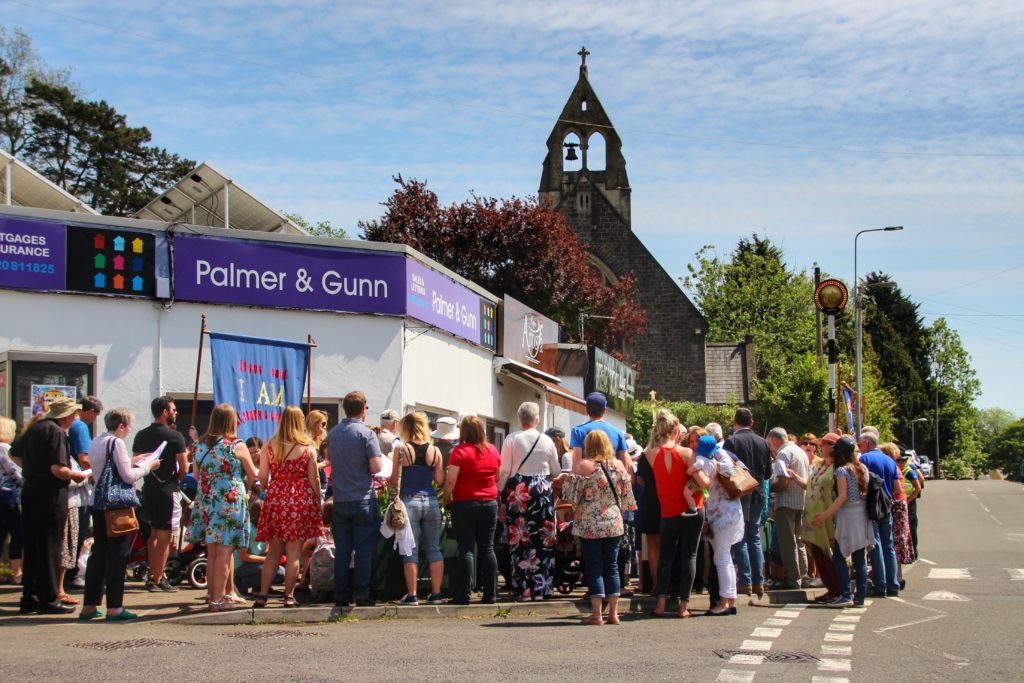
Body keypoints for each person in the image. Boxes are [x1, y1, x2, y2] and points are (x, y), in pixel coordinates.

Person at [78, 408, 159, 621]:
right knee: (118, 555)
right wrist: (148, 466)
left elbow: (106, 468)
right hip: (117, 505)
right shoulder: (117, 443)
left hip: (98, 501)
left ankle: (89, 605)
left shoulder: (98, 441)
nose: (130, 429)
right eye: (129, 425)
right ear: (121, 426)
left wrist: (134, 459)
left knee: (99, 553)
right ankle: (114, 607)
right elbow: (128, 476)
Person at [13, 397, 90, 614]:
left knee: (33, 544)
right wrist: (79, 475)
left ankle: (30, 597)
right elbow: (59, 469)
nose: (75, 417)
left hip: (30, 489)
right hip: (50, 492)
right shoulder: (56, 432)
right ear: (65, 416)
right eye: (73, 414)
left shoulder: (35, 428)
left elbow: (14, 453)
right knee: (49, 545)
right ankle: (48, 598)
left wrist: (32, 467)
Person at [563, 430, 637, 625]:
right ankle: (614, 613)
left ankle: (597, 615)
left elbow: (571, 495)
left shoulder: (584, 466)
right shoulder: (619, 465)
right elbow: (628, 497)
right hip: (613, 522)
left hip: (589, 523)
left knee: (594, 566)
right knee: (612, 566)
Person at [191, 404, 257, 611]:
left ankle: (212, 596)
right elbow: (253, 474)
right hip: (229, 499)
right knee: (225, 551)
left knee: (212, 552)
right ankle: (217, 601)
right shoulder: (236, 445)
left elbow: (195, 475)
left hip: (207, 498)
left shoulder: (199, 445)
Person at [254, 406, 322, 607]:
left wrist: (276, 485)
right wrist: (316, 500)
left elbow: (262, 477)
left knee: (274, 551)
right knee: (294, 551)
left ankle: (262, 595)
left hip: (276, 497)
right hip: (300, 499)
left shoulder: (269, 445)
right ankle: (289, 596)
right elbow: (314, 478)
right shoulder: (307, 447)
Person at [648, 410, 709, 618]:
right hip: (692, 509)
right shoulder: (686, 454)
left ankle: (661, 605)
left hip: (668, 512)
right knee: (689, 555)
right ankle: (683, 606)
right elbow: (703, 482)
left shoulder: (650, 454)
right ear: (676, 431)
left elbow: (652, 446)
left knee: (666, 557)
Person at [498, 402, 561, 602]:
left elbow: (505, 470)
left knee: (520, 539)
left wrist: (499, 492)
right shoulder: (547, 441)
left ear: (519, 419)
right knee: (543, 539)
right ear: (537, 419)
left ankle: (523, 589)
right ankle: (542, 588)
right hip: (542, 490)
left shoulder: (511, 439)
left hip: (519, 490)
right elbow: (556, 471)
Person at [327, 391, 383, 607]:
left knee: (341, 549)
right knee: (363, 550)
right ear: (363, 409)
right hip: (362, 497)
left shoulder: (333, 433)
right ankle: (361, 594)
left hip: (340, 498)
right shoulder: (367, 434)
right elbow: (376, 466)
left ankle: (340, 595)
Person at [133, 396, 189, 593]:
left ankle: (154, 574)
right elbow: (184, 467)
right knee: (165, 535)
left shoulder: (141, 435)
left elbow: (136, 461)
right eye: (173, 409)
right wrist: (174, 480)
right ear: (165, 412)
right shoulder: (176, 437)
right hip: (168, 489)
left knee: (154, 534)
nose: (175, 412)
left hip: (149, 487)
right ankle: (157, 578)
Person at [443, 415, 500, 605]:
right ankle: (490, 593)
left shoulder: (459, 451)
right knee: (487, 547)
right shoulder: (492, 450)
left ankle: (463, 594)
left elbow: (451, 479)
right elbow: (497, 476)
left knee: (466, 548)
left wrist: (446, 498)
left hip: (464, 502)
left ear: (463, 432)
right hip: (489, 502)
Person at [390, 412, 446, 605]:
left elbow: (393, 478)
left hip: (408, 500)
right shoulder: (435, 450)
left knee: (410, 550)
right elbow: (439, 480)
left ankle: (412, 595)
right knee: (434, 549)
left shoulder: (401, 449)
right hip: (430, 501)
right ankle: (436, 593)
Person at [812, 437, 874, 607]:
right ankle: (860, 597)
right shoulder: (862, 468)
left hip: (847, 515)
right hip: (862, 514)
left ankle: (846, 594)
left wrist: (825, 515)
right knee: (859, 558)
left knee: (839, 556)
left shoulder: (841, 471)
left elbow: (842, 496)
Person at [723, 408, 772, 598]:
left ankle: (745, 581)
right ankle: (759, 581)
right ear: (751, 423)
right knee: (754, 536)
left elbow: (726, 470)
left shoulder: (732, 441)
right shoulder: (763, 442)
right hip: (758, 493)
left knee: (740, 537)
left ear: (735, 422)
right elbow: (768, 474)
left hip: (740, 492)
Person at [694, 435, 745, 616]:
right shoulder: (720, 455)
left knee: (722, 559)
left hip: (722, 514)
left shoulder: (712, 459)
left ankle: (723, 603)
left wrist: (705, 465)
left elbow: (726, 470)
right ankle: (730, 601)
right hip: (728, 511)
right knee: (726, 559)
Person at [788, 432, 841, 603]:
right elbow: (809, 485)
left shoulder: (838, 467)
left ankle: (837, 589)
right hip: (813, 515)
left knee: (830, 553)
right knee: (818, 553)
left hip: (827, 515)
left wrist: (831, 514)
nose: (821, 447)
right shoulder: (820, 466)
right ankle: (831, 589)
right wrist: (795, 477)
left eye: (824, 444)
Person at [857, 431, 900, 598]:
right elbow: (897, 488)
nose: (859, 448)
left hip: (871, 506)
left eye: (860, 445)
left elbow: (860, 484)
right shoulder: (890, 461)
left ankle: (880, 585)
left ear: (867, 443)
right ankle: (893, 584)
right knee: (888, 545)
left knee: (875, 545)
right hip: (886, 505)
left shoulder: (864, 460)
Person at [767, 427, 808, 590]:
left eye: (770, 445)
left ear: (775, 441)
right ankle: (803, 576)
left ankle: (792, 579)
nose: (771, 450)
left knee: (788, 543)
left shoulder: (783, 454)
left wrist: (768, 488)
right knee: (799, 541)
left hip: (786, 503)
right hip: (801, 501)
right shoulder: (800, 451)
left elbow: (783, 483)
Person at [67, 395, 101, 583]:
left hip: (70, 487)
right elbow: (84, 458)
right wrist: (98, 476)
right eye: (95, 416)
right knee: (78, 532)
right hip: (79, 486)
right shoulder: (79, 426)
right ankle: (72, 573)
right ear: (90, 411)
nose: (93, 420)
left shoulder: (71, 426)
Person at [881, 443, 917, 585]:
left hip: (896, 506)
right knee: (896, 543)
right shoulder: (894, 467)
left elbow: (896, 489)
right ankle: (897, 577)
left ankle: (896, 578)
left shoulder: (892, 467)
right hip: (900, 504)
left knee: (894, 543)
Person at [569, 392, 629, 472]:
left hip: (588, 481)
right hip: (612, 480)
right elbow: (624, 464)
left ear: (586, 409)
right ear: (604, 410)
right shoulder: (617, 432)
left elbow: (576, 466)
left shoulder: (577, 431)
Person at [0, 417, 24, 585]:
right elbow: (14, 473)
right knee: (17, 534)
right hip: (7, 496)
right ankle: (17, 572)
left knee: (1, 534)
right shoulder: (4, 448)